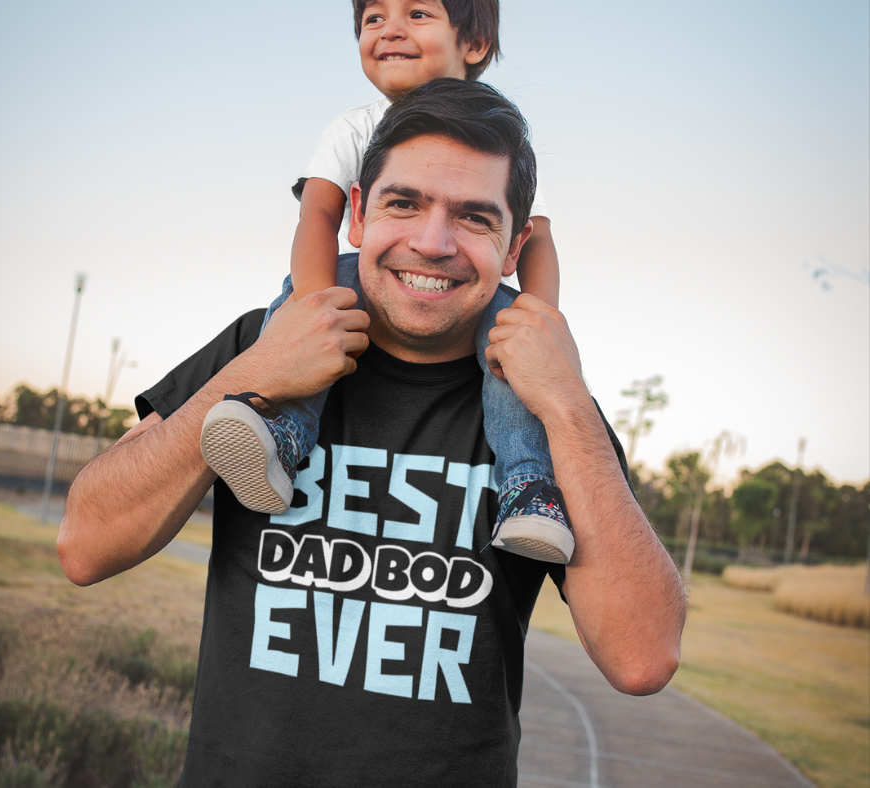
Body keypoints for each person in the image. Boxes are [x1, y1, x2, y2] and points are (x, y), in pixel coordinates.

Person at [57, 79, 686, 787]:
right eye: (403, 203)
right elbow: (84, 546)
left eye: (475, 218)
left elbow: (642, 657)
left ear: (515, 250)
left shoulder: (548, 404)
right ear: (356, 214)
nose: (432, 242)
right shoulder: (259, 342)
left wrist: (567, 404)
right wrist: (261, 369)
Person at [199, 0, 573, 564]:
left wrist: (535, 330)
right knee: (295, 307)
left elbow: (537, 239)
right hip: (361, 280)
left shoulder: (498, 144)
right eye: (374, 18)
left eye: (417, 13)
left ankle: (528, 486)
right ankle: (286, 432)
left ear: (472, 45)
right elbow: (318, 216)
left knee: (509, 352)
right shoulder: (355, 126)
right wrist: (314, 307)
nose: (390, 29)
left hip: (475, 299)